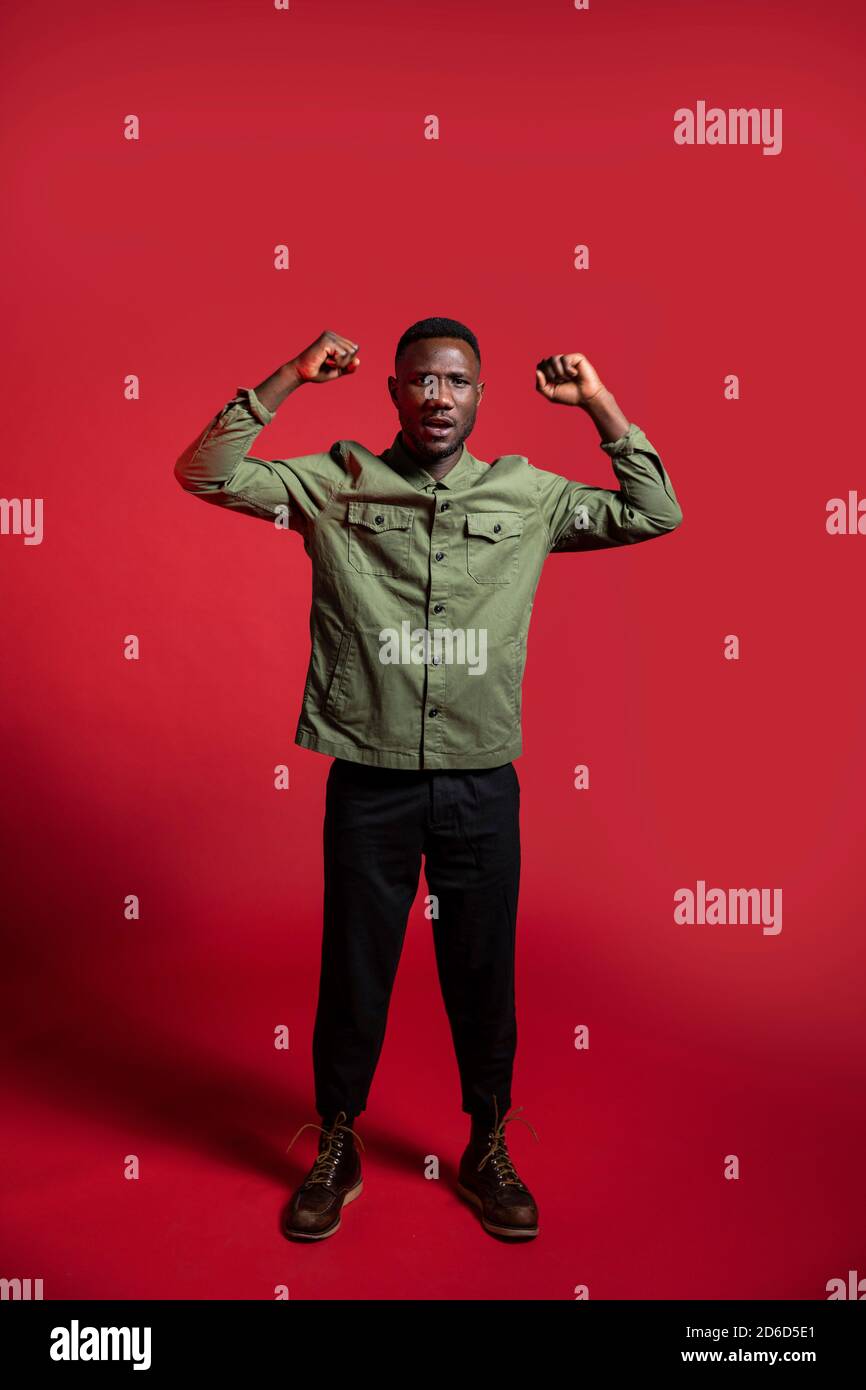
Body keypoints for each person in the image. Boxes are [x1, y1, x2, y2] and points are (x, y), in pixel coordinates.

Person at [173, 317, 683, 1242]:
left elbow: (655, 510)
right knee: (355, 964)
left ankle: (488, 1140)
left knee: (482, 964)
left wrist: (599, 404)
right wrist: (289, 375)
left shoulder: (527, 494)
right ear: (395, 394)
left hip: (481, 778)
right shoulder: (336, 484)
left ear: (479, 397)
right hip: (369, 776)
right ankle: (337, 1138)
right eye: (420, 381)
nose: (438, 396)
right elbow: (206, 471)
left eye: (456, 381)